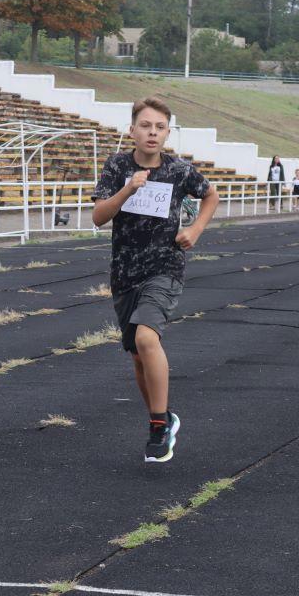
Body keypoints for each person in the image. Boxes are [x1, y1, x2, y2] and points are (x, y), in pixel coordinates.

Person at [92, 97, 219, 463]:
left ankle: (158, 425)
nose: (152, 132)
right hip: (125, 271)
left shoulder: (179, 171)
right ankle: (161, 418)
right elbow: (99, 217)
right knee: (137, 354)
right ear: (132, 130)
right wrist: (128, 188)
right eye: (145, 125)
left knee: (148, 337)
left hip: (165, 266)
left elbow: (210, 194)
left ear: (167, 133)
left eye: (159, 127)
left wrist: (195, 228)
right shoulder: (117, 166)